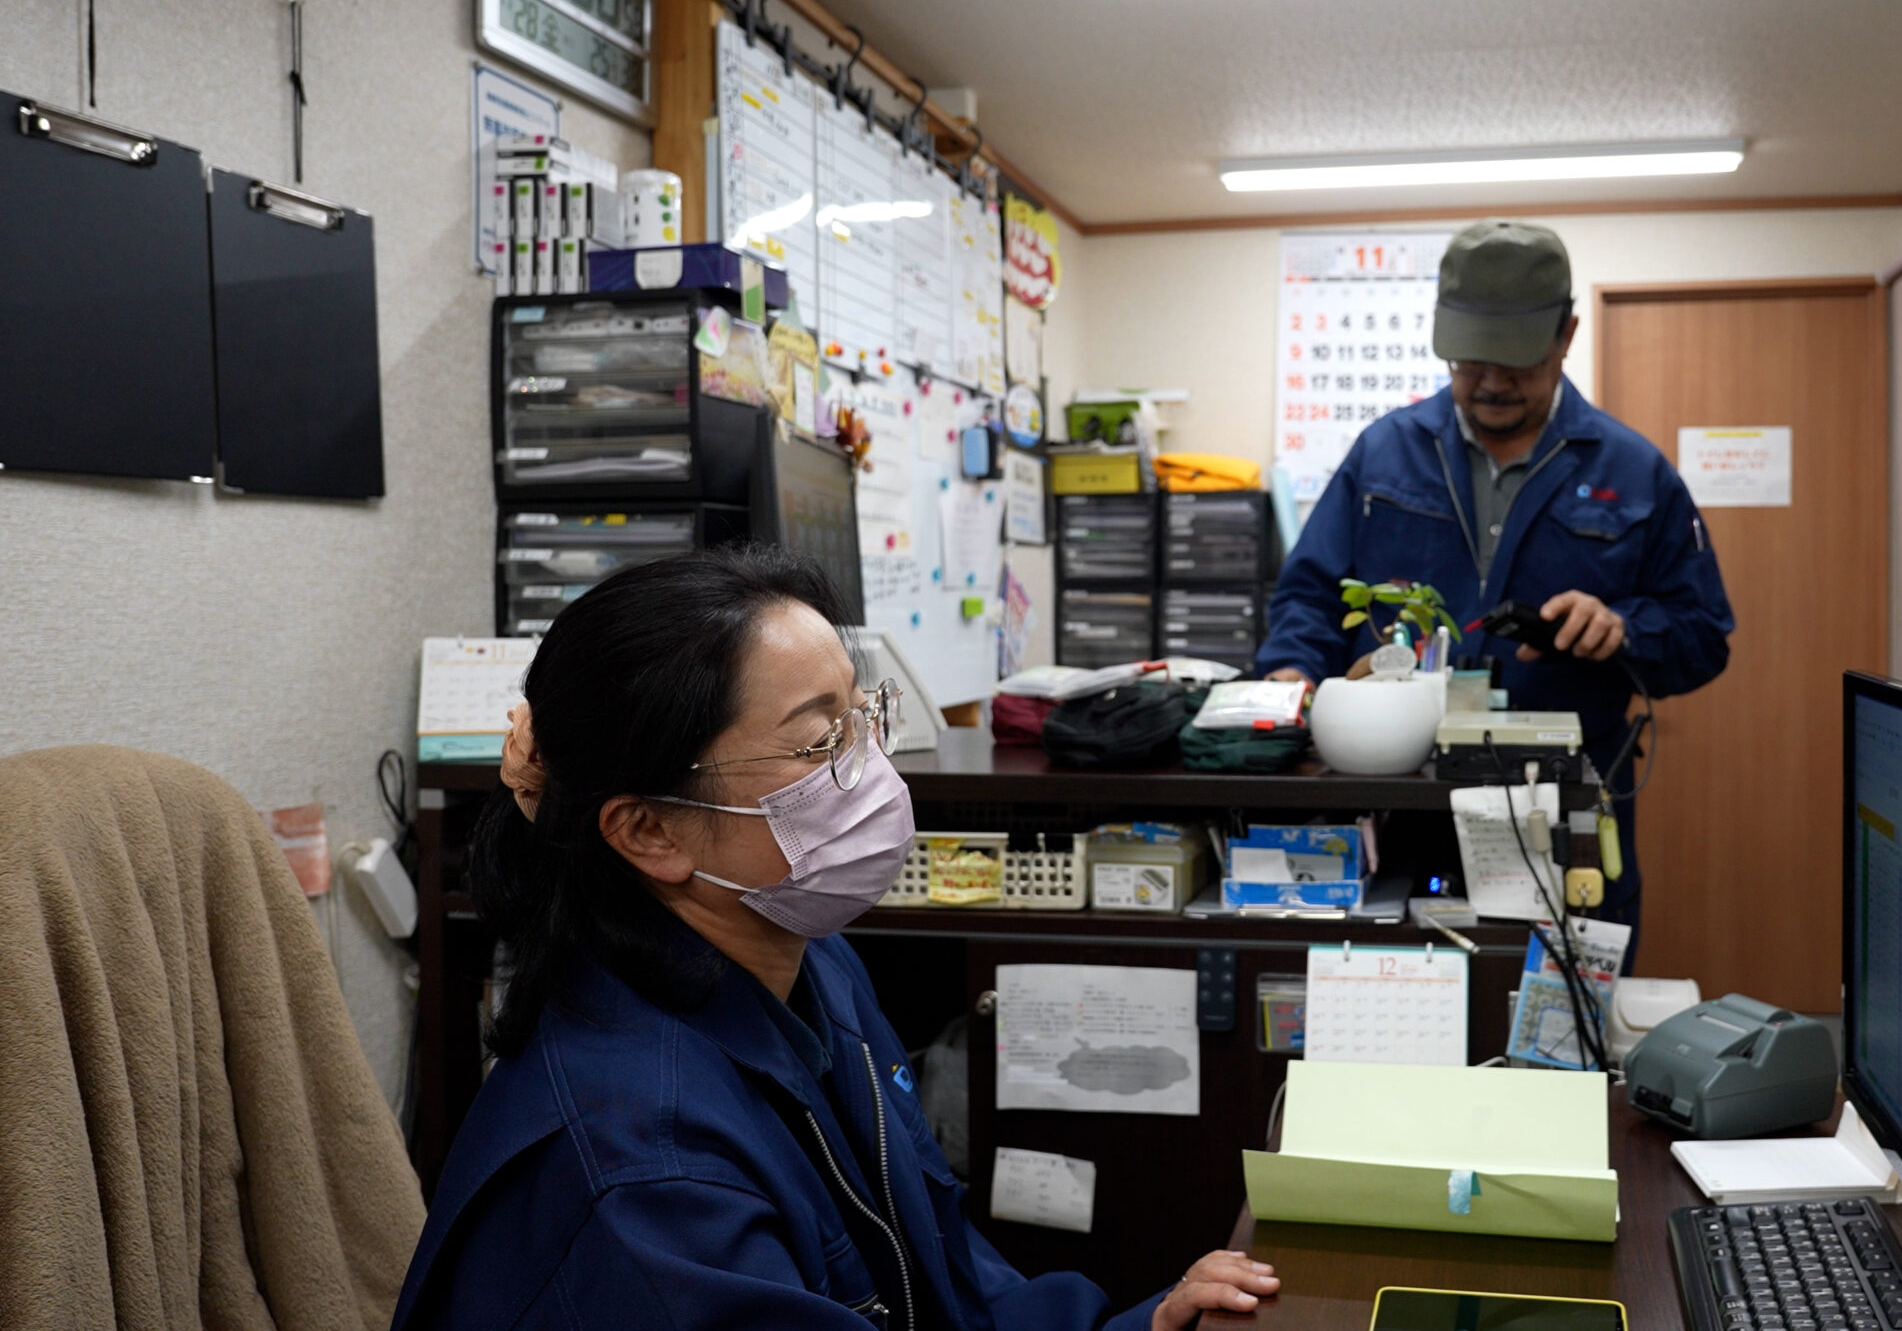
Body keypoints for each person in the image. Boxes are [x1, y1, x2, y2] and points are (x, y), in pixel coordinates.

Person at [392, 545, 1275, 1331]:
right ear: (651, 831)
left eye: (864, 715)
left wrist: (1141, 1325)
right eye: (821, 743)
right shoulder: (648, 1179)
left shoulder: (812, 967)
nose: (872, 769)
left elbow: (942, 1273)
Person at [1256, 220, 1736, 963]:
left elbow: (1703, 636)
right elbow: (1311, 596)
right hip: (1400, 809)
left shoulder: (1635, 472)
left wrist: (1623, 628)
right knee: (1392, 1009)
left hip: (1564, 815)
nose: (1490, 383)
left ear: (1566, 336)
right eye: (1470, 360)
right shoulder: (1384, 454)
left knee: (1559, 1019)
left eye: (1516, 362)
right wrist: (1289, 676)